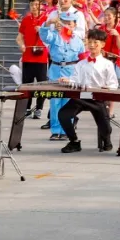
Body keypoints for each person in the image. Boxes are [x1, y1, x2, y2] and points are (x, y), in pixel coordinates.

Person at [58, 28, 118, 153]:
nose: (91, 45)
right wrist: (68, 81)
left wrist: (108, 88)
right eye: (89, 42)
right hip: (81, 97)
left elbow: (113, 83)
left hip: (97, 98)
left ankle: (106, 139)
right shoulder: (81, 64)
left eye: (95, 42)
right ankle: (74, 141)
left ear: (102, 44)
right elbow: (75, 80)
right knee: (63, 114)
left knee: (106, 129)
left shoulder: (107, 64)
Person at [38, 9, 85, 141]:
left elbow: (82, 59)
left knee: (68, 102)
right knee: (55, 102)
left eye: (70, 23)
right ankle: (55, 130)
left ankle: (66, 130)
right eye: (64, 22)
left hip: (71, 71)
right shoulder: (54, 36)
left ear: (75, 25)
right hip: (56, 70)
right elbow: (43, 35)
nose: (67, 25)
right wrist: (48, 23)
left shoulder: (78, 41)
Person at [17, 0, 49, 119]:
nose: (34, 7)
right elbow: (19, 37)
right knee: (27, 84)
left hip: (41, 58)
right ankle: (27, 107)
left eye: (36, 4)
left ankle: (39, 108)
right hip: (27, 57)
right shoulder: (26, 19)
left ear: (41, 5)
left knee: (42, 84)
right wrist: (21, 45)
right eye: (32, 5)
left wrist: (41, 30)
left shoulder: (46, 19)